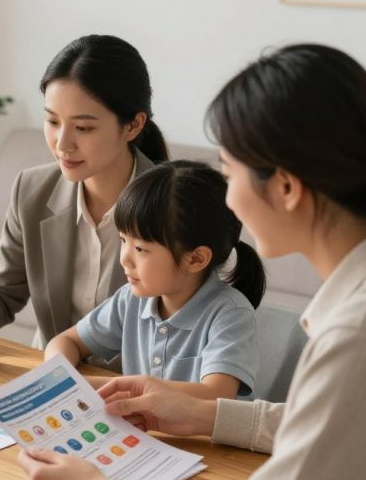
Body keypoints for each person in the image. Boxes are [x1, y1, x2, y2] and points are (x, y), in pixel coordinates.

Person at [17, 44, 366, 480]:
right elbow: (337, 428)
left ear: (285, 187)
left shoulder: (363, 334)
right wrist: (206, 414)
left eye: (228, 171)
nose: (227, 199)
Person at [0, 35, 167, 355]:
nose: (62, 144)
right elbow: (3, 293)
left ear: (133, 125)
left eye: (83, 128)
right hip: (52, 373)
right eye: (52, 121)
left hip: (136, 388)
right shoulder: (30, 191)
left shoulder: (173, 206)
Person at [44, 161, 265, 399]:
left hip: (198, 436)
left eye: (140, 249)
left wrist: (96, 385)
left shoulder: (230, 314)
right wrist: (61, 374)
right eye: (122, 240)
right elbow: (67, 341)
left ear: (196, 259)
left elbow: (215, 394)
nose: (125, 260)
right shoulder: (131, 299)